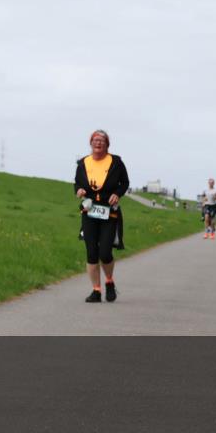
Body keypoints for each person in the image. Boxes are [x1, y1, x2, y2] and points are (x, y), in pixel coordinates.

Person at [74, 130, 129, 303]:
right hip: (89, 211)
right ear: (91, 143)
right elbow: (77, 183)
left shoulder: (116, 162)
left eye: (102, 141)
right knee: (91, 252)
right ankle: (96, 291)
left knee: (105, 252)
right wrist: (79, 191)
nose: (98, 143)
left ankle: (109, 282)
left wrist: (117, 194)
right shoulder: (83, 163)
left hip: (109, 212)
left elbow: (125, 183)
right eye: (95, 140)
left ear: (107, 144)